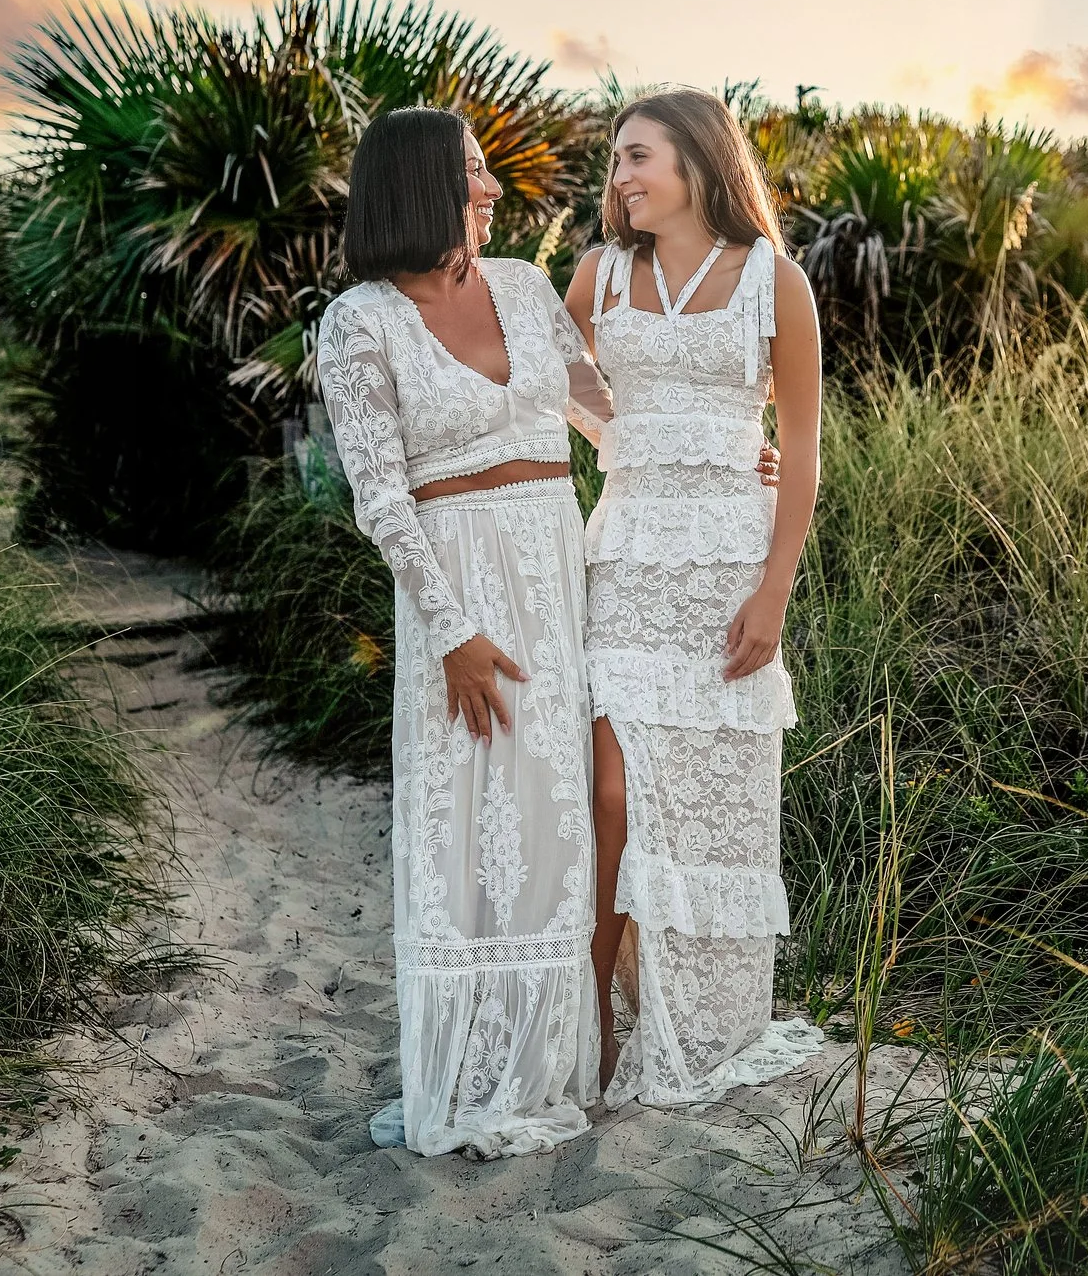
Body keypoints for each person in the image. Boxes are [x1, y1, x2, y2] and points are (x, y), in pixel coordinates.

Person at [316, 106, 615, 1157]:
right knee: (472, 826)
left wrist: (718, 454)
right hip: (456, 588)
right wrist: (449, 630)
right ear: (421, 188)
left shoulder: (529, 290)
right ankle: (476, 1070)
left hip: (554, 566)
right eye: (476, 174)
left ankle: (546, 1062)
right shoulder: (359, 320)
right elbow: (382, 497)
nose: (493, 192)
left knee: (550, 819)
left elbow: (601, 413)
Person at [564, 87, 826, 1105]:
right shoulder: (600, 274)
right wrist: (625, 433)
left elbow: (801, 450)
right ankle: (588, 1010)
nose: (620, 177)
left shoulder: (777, 282)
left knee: (697, 811)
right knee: (610, 796)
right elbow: (553, 372)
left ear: (699, 164)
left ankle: (693, 1015)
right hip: (623, 559)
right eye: (617, 160)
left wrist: (775, 591)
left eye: (637, 156)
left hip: (726, 569)